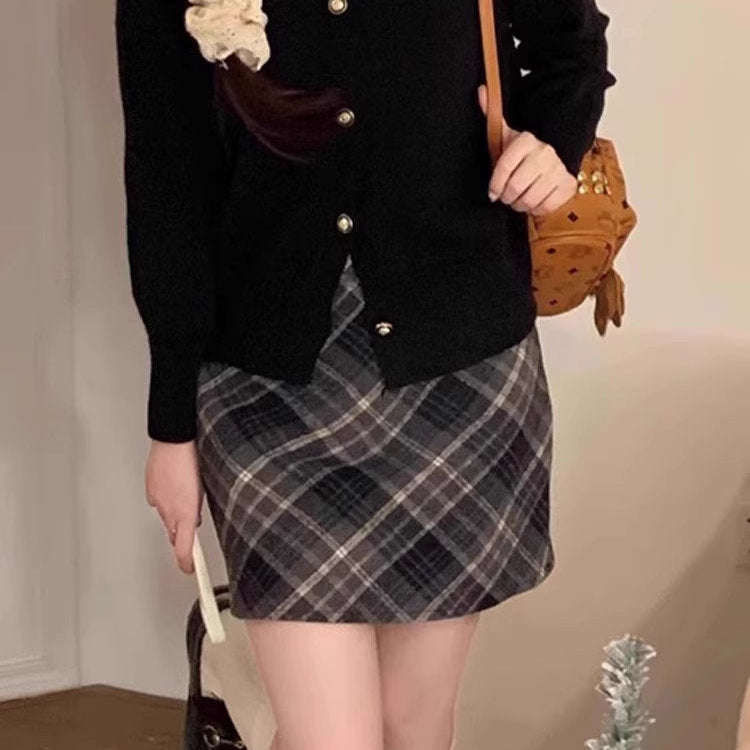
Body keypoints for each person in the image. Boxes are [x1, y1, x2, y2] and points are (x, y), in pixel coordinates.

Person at [114, 1, 617, 749]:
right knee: (331, 739)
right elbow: (166, 179)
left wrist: (552, 146)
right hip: (264, 385)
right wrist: (171, 427)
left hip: (458, 367)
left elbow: (571, 48)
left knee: (414, 727)